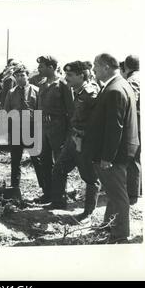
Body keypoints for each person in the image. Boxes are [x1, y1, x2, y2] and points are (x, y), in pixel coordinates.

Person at [84, 53, 139, 244]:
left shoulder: (115, 89)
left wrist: (107, 157)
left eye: (95, 66)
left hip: (114, 154)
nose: (93, 70)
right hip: (119, 151)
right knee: (113, 191)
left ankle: (121, 235)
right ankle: (109, 225)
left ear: (106, 66)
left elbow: (115, 127)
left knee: (118, 195)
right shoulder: (120, 85)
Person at [47, 61, 101, 216]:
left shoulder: (90, 93)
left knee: (90, 178)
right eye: (65, 74)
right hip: (73, 138)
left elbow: (98, 120)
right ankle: (58, 202)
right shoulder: (77, 91)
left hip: (85, 142)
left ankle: (88, 213)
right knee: (59, 168)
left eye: (70, 75)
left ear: (81, 75)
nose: (66, 78)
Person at [33, 55, 74, 204]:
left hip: (58, 130)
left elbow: (71, 110)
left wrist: (69, 133)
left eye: (42, 66)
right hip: (43, 130)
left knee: (59, 163)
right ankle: (47, 193)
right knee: (44, 162)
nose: (39, 69)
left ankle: (59, 197)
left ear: (51, 67)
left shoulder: (63, 84)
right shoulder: (43, 83)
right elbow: (38, 107)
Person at [3, 66, 44, 198]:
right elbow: (6, 112)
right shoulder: (11, 92)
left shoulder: (37, 91)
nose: (20, 78)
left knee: (37, 160)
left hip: (32, 130)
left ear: (27, 76)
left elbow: (40, 111)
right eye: (17, 76)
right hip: (16, 130)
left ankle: (45, 188)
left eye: (23, 75)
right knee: (15, 160)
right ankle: (15, 188)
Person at [124, 55, 141, 204]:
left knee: (133, 158)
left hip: (137, 124)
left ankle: (133, 194)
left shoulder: (132, 80)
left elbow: (130, 102)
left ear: (126, 66)